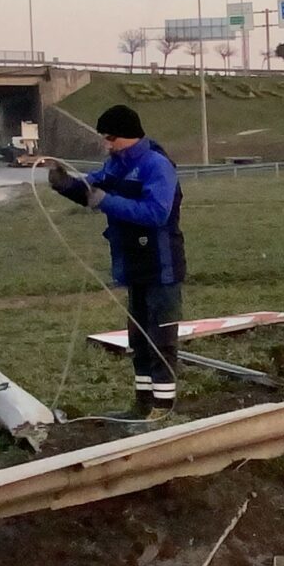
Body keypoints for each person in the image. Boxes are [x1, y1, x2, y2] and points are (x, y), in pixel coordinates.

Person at [48, 105, 185, 419]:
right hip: (132, 263)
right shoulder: (115, 165)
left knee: (160, 337)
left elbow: (156, 213)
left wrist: (105, 201)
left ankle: (162, 408)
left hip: (161, 263)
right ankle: (142, 404)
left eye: (111, 138)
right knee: (138, 336)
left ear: (129, 135)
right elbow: (91, 187)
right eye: (105, 139)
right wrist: (65, 183)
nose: (107, 145)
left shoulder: (156, 165)